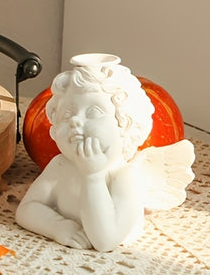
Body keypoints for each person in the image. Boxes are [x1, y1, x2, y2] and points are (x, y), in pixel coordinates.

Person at [16, 54, 193, 252]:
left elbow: (105, 241)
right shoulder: (60, 165)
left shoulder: (124, 176)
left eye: (93, 112)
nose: (75, 121)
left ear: (125, 125)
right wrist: (59, 226)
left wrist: (93, 176)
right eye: (67, 114)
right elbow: (26, 210)